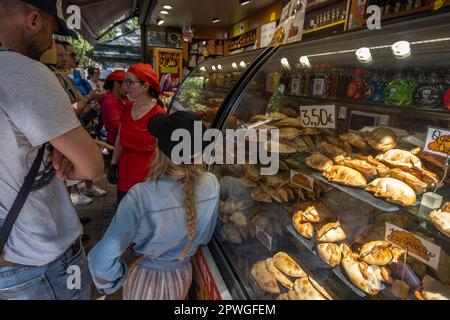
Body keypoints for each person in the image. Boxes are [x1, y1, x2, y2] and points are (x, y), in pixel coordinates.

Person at [0, 0, 104, 300]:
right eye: (54, 32)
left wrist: (52, 144)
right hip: (40, 262)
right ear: (34, 20)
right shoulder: (23, 72)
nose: (51, 43)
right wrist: (70, 152)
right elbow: (93, 167)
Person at [88, 112, 220, 300]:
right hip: (181, 276)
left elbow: (100, 261)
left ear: (159, 149)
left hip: (145, 280)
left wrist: (118, 276)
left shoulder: (141, 195)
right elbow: (204, 237)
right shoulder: (212, 184)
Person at [108, 63, 166, 205]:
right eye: (124, 81)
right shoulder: (127, 108)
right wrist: (113, 164)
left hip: (148, 174)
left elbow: (162, 151)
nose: (125, 86)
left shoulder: (159, 114)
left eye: (130, 82)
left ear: (145, 86)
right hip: (126, 171)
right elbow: (120, 137)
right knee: (124, 212)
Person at [100, 70, 128, 147]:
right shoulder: (109, 102)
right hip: (115, 145)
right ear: (117, 84)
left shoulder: (124, 98)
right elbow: (115, 127)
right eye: (127, 83)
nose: (129, 88)